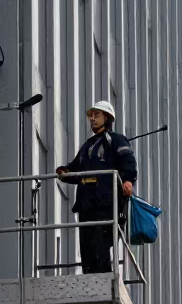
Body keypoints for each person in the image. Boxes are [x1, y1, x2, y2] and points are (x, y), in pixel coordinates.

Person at [57, 100, 138, 274]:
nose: (92, 119)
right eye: (91, 116)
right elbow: (76, 168)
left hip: (105, 202)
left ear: (107, 118)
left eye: (97, 115)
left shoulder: (116, 140)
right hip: (87, 202)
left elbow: (128, 162)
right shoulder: (88, 145)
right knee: (87, 245)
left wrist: (128, 180)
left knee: (101, 245)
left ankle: (104, 278)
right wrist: (65, 171)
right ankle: (89, 277)